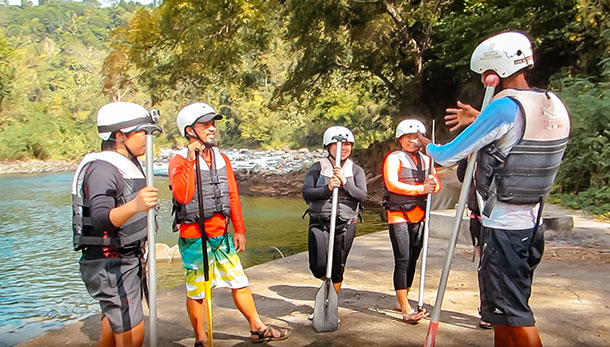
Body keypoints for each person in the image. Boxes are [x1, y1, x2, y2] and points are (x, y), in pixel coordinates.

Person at [418, 31, 570, 346]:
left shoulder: (503, 109)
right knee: (502, 310)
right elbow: (515, 135)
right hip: (532, 223)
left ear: (492, 72)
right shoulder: (552, 104)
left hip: (504, 228)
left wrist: (427, 147)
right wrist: (479, 119)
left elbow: (449, 154)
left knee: (515, 313)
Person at [169, 102, 291, 346]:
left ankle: (257, 327)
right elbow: (182, 196)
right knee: (197, 291)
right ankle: (201, 338)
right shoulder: (179, 162)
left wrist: (240, 229)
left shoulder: (221, 159)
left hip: (221, 236)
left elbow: (232, 195)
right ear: (190, 131)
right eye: (205, 124)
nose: (212, 128)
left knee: (240, 282)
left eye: (213, 123)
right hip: (194, 237)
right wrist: (192, 162)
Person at [72, 101, 161, 347]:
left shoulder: (126, 163)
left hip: (125, 258)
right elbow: (101, 218)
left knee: (112, 328)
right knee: (133, 336)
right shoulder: (102, 169)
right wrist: (135, 205)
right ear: (120, 135)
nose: (147, 138)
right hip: (110, 262)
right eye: (141, 132)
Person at [382, 119, 441, 323]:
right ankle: (406, 308)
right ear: (400, 140)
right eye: (408, 138)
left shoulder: (427, 160)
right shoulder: (394, 158)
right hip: (398, 213)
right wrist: (419, 189)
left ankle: (403, 296)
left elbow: (437, 186)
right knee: (403, 258)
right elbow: (392, 184)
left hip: (420, 214)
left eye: (416, 138)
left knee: (414, 257)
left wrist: (433, 185)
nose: (412, 142)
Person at [302, 126, 367, 305]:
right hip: (319, 220)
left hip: (346, 222)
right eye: (338, 145)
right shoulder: (318, 168)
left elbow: (362, 196)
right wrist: (328, 187)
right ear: (328, 147)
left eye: (347, 144)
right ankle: (327, 285)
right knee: (318, 266)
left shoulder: (356, 170)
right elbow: (307, 192)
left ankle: (331, 302)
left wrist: (345, 183)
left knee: (337, 266)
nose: (343, 148)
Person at [456, 158, 492, 329]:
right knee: (484, 265)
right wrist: (468, 158)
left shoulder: (495, 156)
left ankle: (501, 307)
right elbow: (461, 177)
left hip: (496, 219)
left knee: (498, 265)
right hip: (477, 219)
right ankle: (487, 309)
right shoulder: (470, 161)